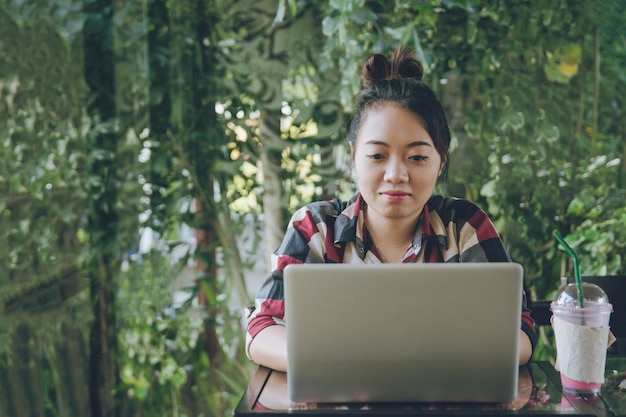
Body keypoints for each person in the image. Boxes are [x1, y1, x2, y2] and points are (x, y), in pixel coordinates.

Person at [245, 46, 537, 372]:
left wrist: (425, 365)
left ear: (441, 161)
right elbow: (263, 326)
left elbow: (518, 330)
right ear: (354, 155)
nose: (396, 174)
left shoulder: (464, 227)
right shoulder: (316, 228)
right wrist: (336, 365)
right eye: (377, 156)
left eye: (417, 157)